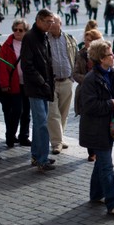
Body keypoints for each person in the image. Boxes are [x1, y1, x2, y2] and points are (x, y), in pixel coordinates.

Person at [79, 39, 114, 216]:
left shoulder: (111, 73)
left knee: (101, 162)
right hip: (96, 129)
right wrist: (113, 103)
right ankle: (113, 203)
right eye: (110, 54)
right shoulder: (90, 79)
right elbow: (90, 106)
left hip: (109, 127)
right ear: (101, 58)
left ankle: (96, 194)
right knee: (107, 166)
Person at [21, 9, 56, 171]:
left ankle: (37, 155)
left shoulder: (43, 36)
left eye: (52, 21)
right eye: (48, 21)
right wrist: (42, 82)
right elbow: (27, 65)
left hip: (44, 86)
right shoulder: (30, 37)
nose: (51, 24)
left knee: (39, 123)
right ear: (39, 20)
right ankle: (42, 159)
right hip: (36, 87)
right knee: (41, 123)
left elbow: (47, 61)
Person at [46, 16, 78, 155]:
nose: (52, 24)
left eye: (55, 21)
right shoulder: (45, 39)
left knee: (63, 113)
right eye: (50, 22)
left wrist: (73, 76)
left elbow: (75, 56)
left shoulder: (69, 38)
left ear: (60, 23)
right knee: (53, 114)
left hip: (66, 80)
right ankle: (56, 142)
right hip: (51, 82)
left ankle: (60, 136)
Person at [0, 19, 32, 148]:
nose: (17, 32)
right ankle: (10, 136)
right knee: (16, 111)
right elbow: (2, 67)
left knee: (26, 112)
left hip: (27, 84)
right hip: (14, 84)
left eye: (20, 30)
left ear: (26, 31)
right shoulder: (7, 45)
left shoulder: (30, 44)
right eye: (15, 29)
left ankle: (24, 136)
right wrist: (4, 84)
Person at [74, 29, 103, 162]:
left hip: (100, 93)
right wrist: (88, 80)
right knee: (87, 123)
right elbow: (75, 74)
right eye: (86, 40)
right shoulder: (80, 54)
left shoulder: (103, 54)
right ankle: (91, 152)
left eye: (90, 40)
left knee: (99, 122)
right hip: (84, 92)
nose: (87, 42)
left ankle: (99, 148)